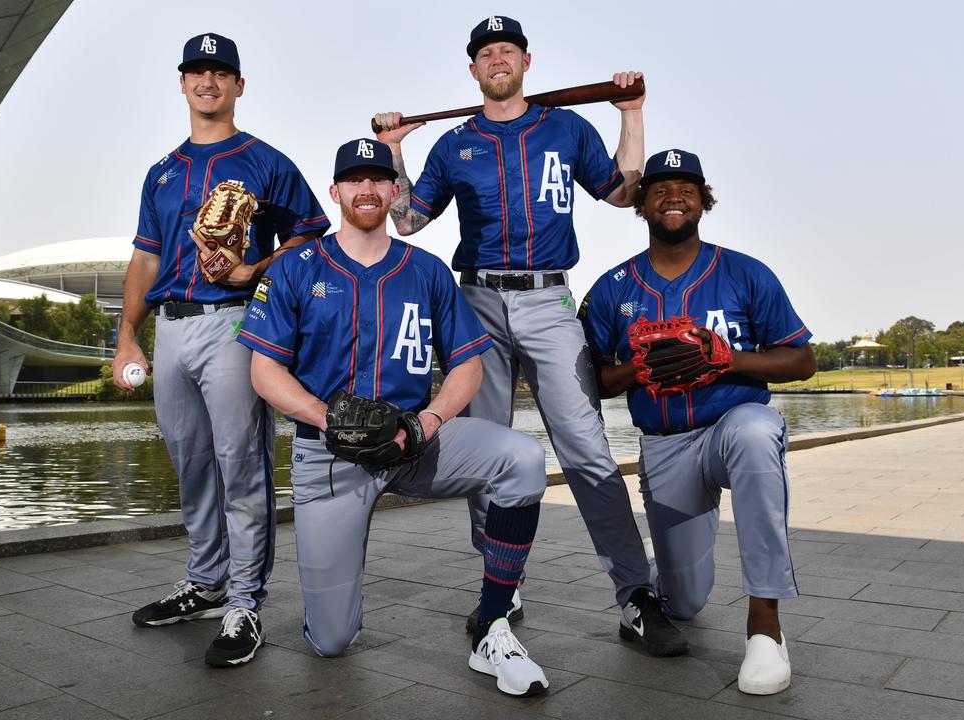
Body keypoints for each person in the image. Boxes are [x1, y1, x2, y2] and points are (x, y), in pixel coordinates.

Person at [372, 15, 686, 655]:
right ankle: (500, 586)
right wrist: (396, 149)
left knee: (588, 452)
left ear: (526, 60)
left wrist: (631, 114)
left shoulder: (566, 127)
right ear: (473, 70)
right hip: (476, 302)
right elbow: (405, 222)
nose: (497, 59)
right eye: (485, 53)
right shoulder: (454, 144)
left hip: (548, 299)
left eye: (506, 50)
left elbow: (623, 194)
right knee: (486, 452)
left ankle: (635, 595)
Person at [240, 138, 550, 697]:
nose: (367, 189)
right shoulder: (293, 268)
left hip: (414, 443)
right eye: (354, 180)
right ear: (335, 192)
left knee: (523, 457)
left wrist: (425, 423)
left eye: (378, 179)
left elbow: (467, 370)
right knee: (332, 641)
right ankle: (330, 606)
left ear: (393, 190)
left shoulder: (427, 270)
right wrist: (329, 416)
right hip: (329, 451)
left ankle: (494, 621)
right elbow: (265, 374)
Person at [114, 32, 329, 668]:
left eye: (220, 72)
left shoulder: (266, 161)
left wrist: (254, 267)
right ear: (182, 83)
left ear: (239, 85)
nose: (208, 82)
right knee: (191, 464)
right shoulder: (162, 171)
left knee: (242, 462)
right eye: (197, 71)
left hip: (238, 321)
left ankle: (244, 603)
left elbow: (314, 238)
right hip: (171, 325)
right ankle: (205, 583)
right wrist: (127, 332)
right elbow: (145, 256)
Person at [579, 148, 816, 695]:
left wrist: (726, 358)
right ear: (641, 203)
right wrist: (635, 370)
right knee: (684, 602)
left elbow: (802, 360)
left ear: (703, 200)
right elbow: (592, 379)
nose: (674, 196)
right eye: (660, 187)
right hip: (666, 445)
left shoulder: (745, 271)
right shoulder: (613, 287)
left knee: (757, 434)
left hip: (732, 423)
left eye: (686, 187)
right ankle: (660, 588)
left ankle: (766, 626)